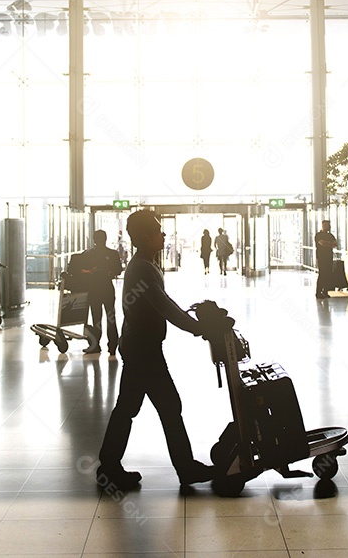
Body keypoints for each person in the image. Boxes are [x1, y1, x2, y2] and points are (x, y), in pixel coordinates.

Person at [96, 210, 213, 490]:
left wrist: (193, 321)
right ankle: (185, 468)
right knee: (167, 406)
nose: (163, 235)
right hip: (143, 350)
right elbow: (164, 306)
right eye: (158, 231)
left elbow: (164, 303)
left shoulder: (145, 264)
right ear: (146, 237)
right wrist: (200, 328)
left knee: (129, 407)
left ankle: (109, 466)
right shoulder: (142, 267)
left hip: (140, 347)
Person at [75, 230, 124, 355]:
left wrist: (91, 272)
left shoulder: (89, 254)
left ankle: (96, 344)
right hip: (106, 288)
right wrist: (108, 272)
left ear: (94, 240)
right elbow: (118, 269)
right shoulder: (112, 254)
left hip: (94, 289)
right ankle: (112, 345)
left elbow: (79, 269)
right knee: (110, 316)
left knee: (96, 317)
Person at [314, 220, 338, 298]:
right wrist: (330, 244)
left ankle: (325, 291)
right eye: (327, 225)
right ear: (323, 226)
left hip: (329, 257)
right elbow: (321, 243)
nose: (329, 227)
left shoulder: (330, 235)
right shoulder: (318, 235)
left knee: (328, 274)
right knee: (322, 274)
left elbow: (335, 244)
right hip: (321, 257)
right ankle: (318, 292)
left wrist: (327, 244)